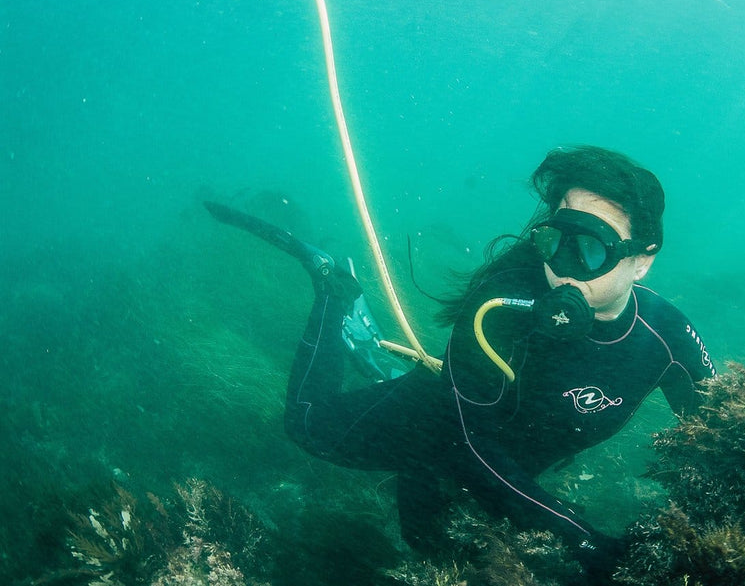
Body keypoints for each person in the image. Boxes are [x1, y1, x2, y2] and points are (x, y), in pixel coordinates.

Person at [206, 145, 716, 581]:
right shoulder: (499, 308)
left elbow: (721, 440)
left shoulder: (667, 339)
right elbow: (472, 444)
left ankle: (381, 363)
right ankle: (333, 286)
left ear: (642, 259)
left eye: (589, 248)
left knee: (436, 545)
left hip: (499, 465)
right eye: (553, 240)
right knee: (306, 425)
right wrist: (583, 539)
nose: (562, 267)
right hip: (434, 425)